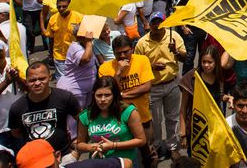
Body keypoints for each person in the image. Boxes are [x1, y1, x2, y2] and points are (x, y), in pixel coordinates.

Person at [133, 11, 186, 156]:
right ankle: (155, 146)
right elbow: (137, 68)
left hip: (172, 84)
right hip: (153, 88)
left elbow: (184, 57)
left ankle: (172, 147)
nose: (157, 25)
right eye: (154, 22)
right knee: (155, 120)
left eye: (160, 22)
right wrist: (151, 66)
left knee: (172, 117)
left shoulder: (174, 37)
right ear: (149, 25)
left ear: (165, 24)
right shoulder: (142, 43)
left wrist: (175, 51)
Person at [98, 35, 155, 166]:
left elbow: (146, 87)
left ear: (132, 49)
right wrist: (118, 73)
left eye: (126, 51)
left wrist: (120, 95)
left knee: (149, 154)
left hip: (143, 118)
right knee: (123, 156)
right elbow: (107, 93)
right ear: (113, 52)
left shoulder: (142, 61)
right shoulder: (105, 68)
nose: (123, 56)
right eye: (119, 53)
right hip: (118, 123)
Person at [8, 62, 80, 164]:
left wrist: (78, 148)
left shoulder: (65, 98)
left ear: (50, 77)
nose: (37, 83)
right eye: (32, 80)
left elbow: (82, 120)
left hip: (64, 157)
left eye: (42, 78)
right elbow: (16, 133)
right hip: (34, 161)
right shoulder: (17, 107)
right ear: (26, 81)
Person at [76, 76, 146, 163]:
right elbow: (79, 144)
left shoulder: (128, 112)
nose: (103, 99)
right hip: (99, 163)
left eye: (107, 95)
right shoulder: (85, 115)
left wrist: (113, 145)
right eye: (99, 95)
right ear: (93, 95)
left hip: (125, 162)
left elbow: (141, 140)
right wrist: (90, 147)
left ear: (115, 95)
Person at [179, 45, 225, 151]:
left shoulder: (218, 77)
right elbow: (183, 108)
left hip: (214, 129)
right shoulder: (192, 77)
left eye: (210, 62)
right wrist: (183, 135)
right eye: (204, 62)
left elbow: (216, 98)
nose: (206, 65)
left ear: (216, 63)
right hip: (196, 129)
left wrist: (228, 98)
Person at [56, 26, 96, 122]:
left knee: (84, 120)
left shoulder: (86, 46)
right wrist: (89, 42)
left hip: (85, 91)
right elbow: (85, 59)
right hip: (74, 90)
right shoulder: (75, 47)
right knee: (75, 122)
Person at [45, 0, 82, 79]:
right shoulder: (53, 19)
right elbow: (51, 38)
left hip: (76, 55)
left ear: (70, 5)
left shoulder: (79, 17)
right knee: (62, 80)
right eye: (59, 7)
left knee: (76, 78)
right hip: (59, 55)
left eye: (64, 6)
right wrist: (51, 54)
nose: (61, 9)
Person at [0, 40, 19, 148]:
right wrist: (6, 82)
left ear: (4, 50)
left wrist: (18, 78)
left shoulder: (15, 62)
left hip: (20, 126)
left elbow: (31, 87)